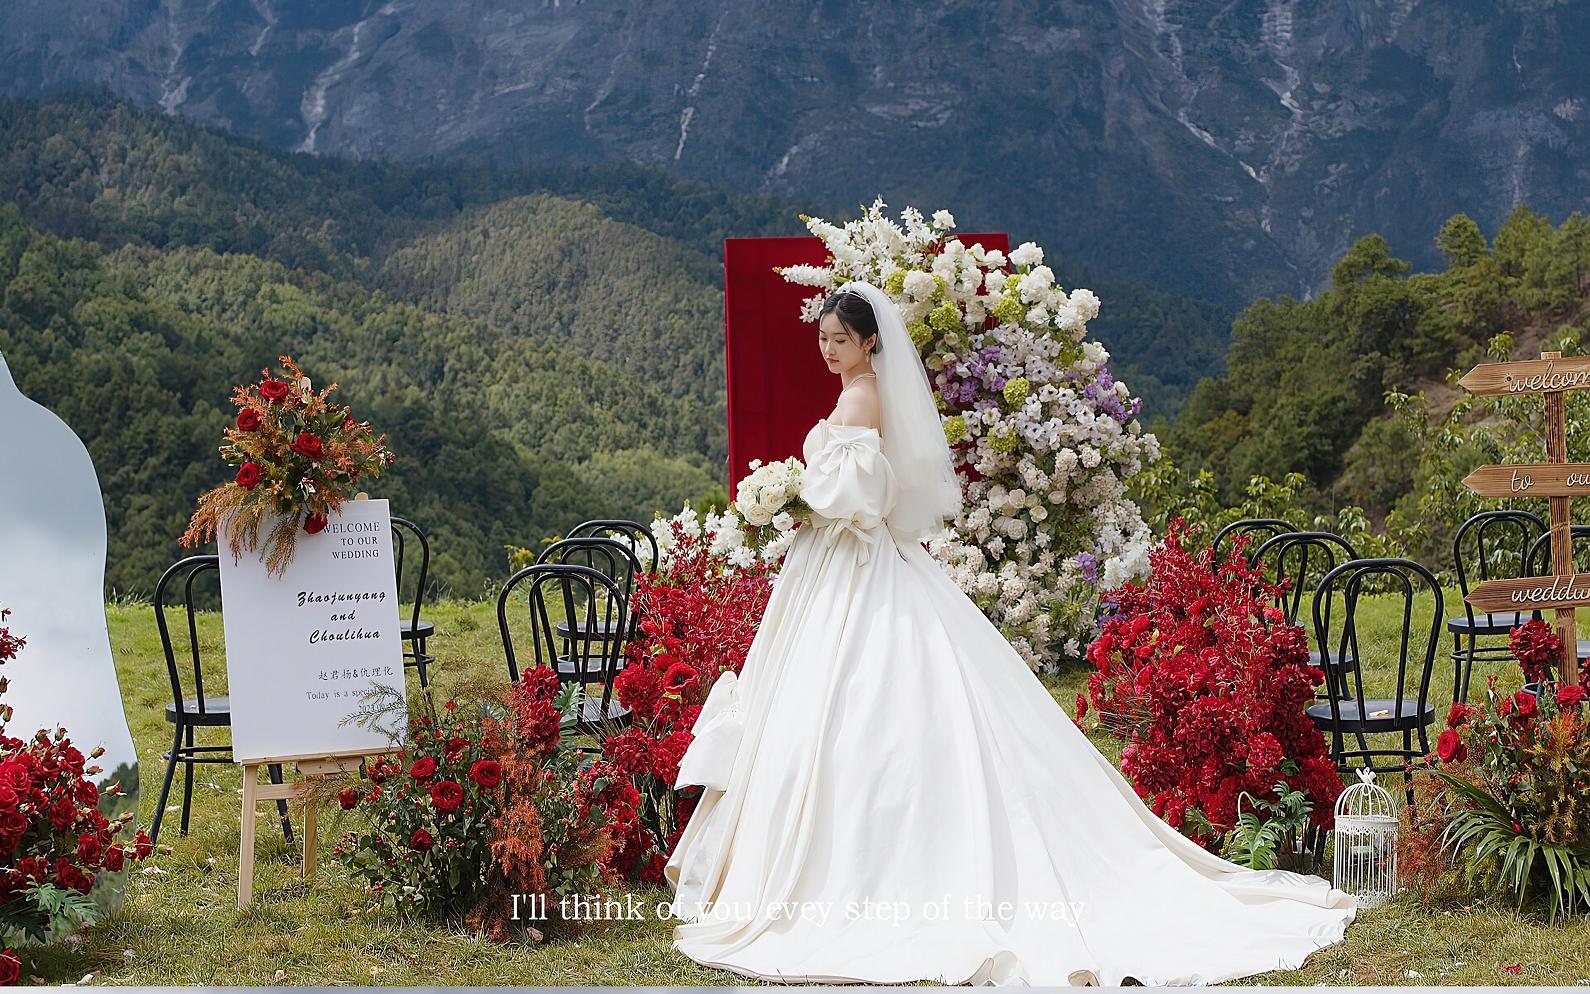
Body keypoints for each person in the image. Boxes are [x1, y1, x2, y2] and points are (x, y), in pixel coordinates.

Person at [663, 281, 1356, 986]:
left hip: (857, 560)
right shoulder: (860, 395)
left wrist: (798, 496)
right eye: (823, 340)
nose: (829, 350)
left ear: (871, 341)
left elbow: (868, 498)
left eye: (840, 339)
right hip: (839, 568)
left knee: (864, 703)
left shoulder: (864, 395)